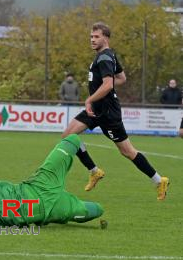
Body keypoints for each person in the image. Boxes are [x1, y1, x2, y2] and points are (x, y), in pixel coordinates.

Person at [62, 22, 169, 200]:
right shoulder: (108, 55)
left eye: (96, 37)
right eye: (91, 36)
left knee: (127, 151)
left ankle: (159, 180)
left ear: (106, 38)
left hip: (108, 114)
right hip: (96, 110)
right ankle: (94, 171)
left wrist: (91, 97)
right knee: (67, 136)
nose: (92, 40)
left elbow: (109, 84)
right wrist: (100, 92)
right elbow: (121, 78)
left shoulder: (104, 57)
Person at [0, 134, 105, 227]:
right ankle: (68, 205)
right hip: (48, 211)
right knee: (97, 210)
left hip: (39, 184)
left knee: (72, 140)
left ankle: (94, 171)